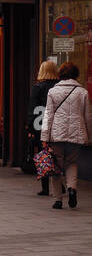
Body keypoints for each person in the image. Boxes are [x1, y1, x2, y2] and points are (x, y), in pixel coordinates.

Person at [42, 62, 92, 210]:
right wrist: (89, 136)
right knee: (71, 163)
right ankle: (72, 189)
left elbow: (48, 115)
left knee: (55, 166)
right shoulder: (82, 92)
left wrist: (44, 137)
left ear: (61, 74)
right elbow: (88, 117)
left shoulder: (52, 92)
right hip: (76, 134)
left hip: (56, 134)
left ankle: (58, 200)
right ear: (76, 74)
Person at [30, 60, 60, 195]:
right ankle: (60, 183)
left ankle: (45, 187)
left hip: (41, 124)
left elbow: (34, 109)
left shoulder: (38, 87)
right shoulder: (59, 86)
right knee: (56, 154)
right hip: (58, 123)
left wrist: (30, 127)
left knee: (44, 153)